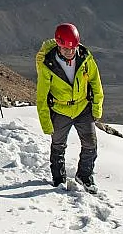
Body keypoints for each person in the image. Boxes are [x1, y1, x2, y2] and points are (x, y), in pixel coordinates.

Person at [35, 22, 104, 193]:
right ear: (58, 44)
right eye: (66, 49)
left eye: (73, 48)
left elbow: (96, 83)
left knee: (90, 145)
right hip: (60, 110)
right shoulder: (48, 65)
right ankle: (58, 178)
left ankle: (84, 175)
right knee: (58, 145)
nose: (70, 52)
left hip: (83, 108)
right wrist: (46, 122)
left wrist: (97, 107)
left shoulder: (85, 58)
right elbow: (41, 96)